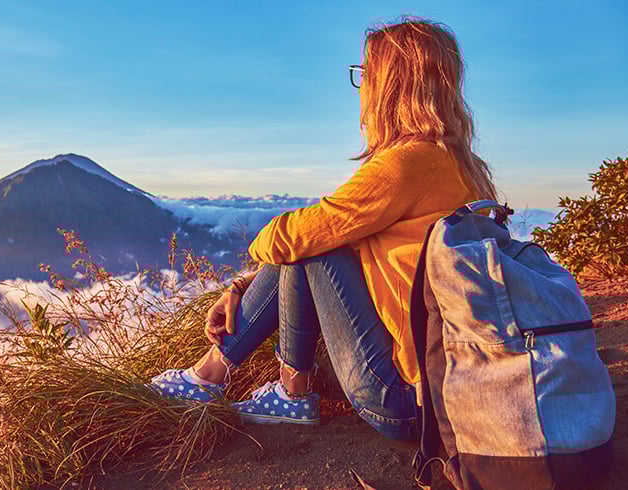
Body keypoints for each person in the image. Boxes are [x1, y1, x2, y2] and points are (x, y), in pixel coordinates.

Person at [148, 17, 498, 441]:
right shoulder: (464, 168)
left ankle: (223, 379)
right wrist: (242, 285)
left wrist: (254, 258)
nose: (363, 87)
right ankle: (256, 387)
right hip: (450, 392)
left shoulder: (406, 164)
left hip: (406, 403)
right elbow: (344, 242)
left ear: (389, 84)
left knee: (311, 245)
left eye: (367, 74)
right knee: (316, 244)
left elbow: (294, 237)